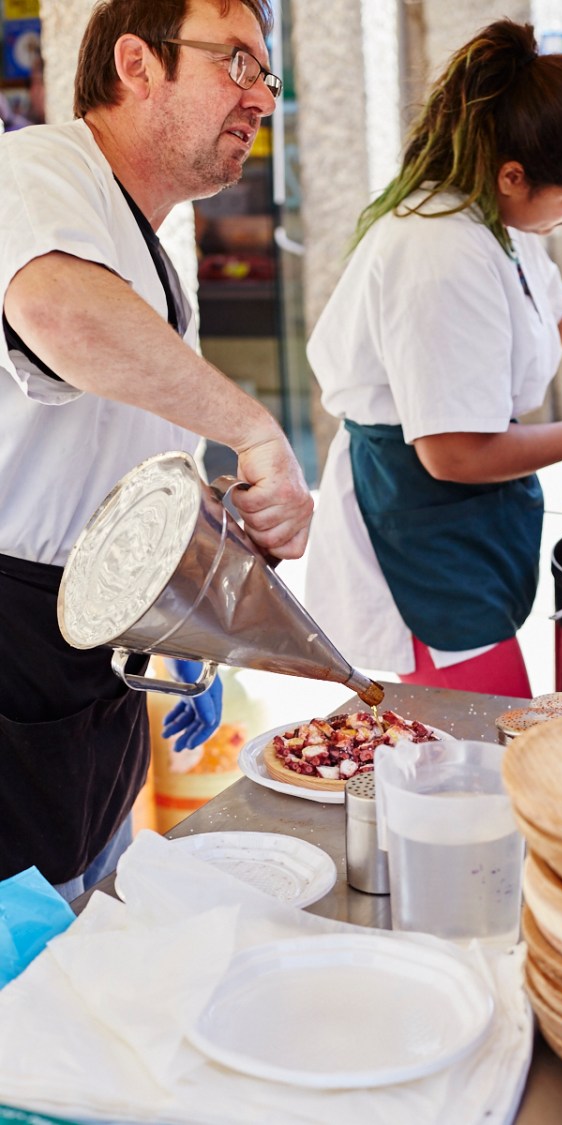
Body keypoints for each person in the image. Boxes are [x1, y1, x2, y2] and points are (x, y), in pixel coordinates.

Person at [0, 0, 313, 899]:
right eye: (237, 63)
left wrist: (193, 604)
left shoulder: (151, 249)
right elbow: (57, 313)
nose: (262, 99)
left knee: (88, 905)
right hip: (18, 648)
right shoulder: (35, 169)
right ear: (137, 64)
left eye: (268, 75)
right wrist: (255, 430)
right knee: (30, 946)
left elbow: (122, 452)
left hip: (99, 669)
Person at [304, 18, 562, 699]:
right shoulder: (439, 250)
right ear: (513, 175)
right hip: (418, 525)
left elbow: (549, 305)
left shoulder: (496, 216)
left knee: (489, 730)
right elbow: (455, 453)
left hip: (461, 516)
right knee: (484, 741)